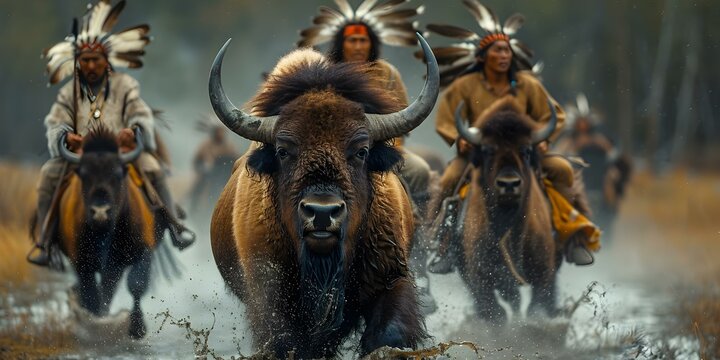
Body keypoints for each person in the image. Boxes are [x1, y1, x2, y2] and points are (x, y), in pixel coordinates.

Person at [422, 1, 597, 272]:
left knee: (563, 170)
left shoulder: (528, 85)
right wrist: (460, 139)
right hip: (481, 155)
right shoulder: (464, 86)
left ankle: (572, 235)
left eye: (507, 50)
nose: (504, 55)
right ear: (482, 57)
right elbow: (445, 119)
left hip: (525, 154)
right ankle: (442, 242)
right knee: (448, 179)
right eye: (497, 50)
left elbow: (556, 116)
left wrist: (543, 140)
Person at [28, 0, 194, 267]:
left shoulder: (125, 85)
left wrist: (134, 130)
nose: (90, 66)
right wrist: (64, 136)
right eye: (84, 61)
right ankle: (45, 241)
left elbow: (140, 112)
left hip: (121, 154)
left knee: (153, 168)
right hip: (81, 158)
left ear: (106, 61)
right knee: (48, 174)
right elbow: (55, 121)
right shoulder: (67, 92)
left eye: (95, 60)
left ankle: (175, 226)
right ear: (77, 63)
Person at [297, 0, 432, 212]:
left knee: (420, 170)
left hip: (382, 148)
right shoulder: (324, 70)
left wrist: (394, 145)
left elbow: (403, 119)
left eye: (363, 40)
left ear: (372, 43)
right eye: (352, 40)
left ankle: (419, 223)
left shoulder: (388, 73)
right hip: (333, 149)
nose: (358, 46)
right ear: (342, 43)